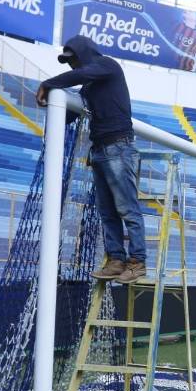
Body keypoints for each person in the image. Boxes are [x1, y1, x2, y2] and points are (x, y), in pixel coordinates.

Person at [36, 35, 146, 284]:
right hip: (100, 150)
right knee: (107, 212)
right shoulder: (87, 86)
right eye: (68, 62)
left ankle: (137, 262)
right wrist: (54, 106)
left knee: (127, 209)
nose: (71, 65)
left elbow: (79, 75)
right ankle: (116, 260)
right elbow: (70, 116)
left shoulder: (108, 65)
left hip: (118, 147)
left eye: (73, 59)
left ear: (84, 53)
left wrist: (48, 84)